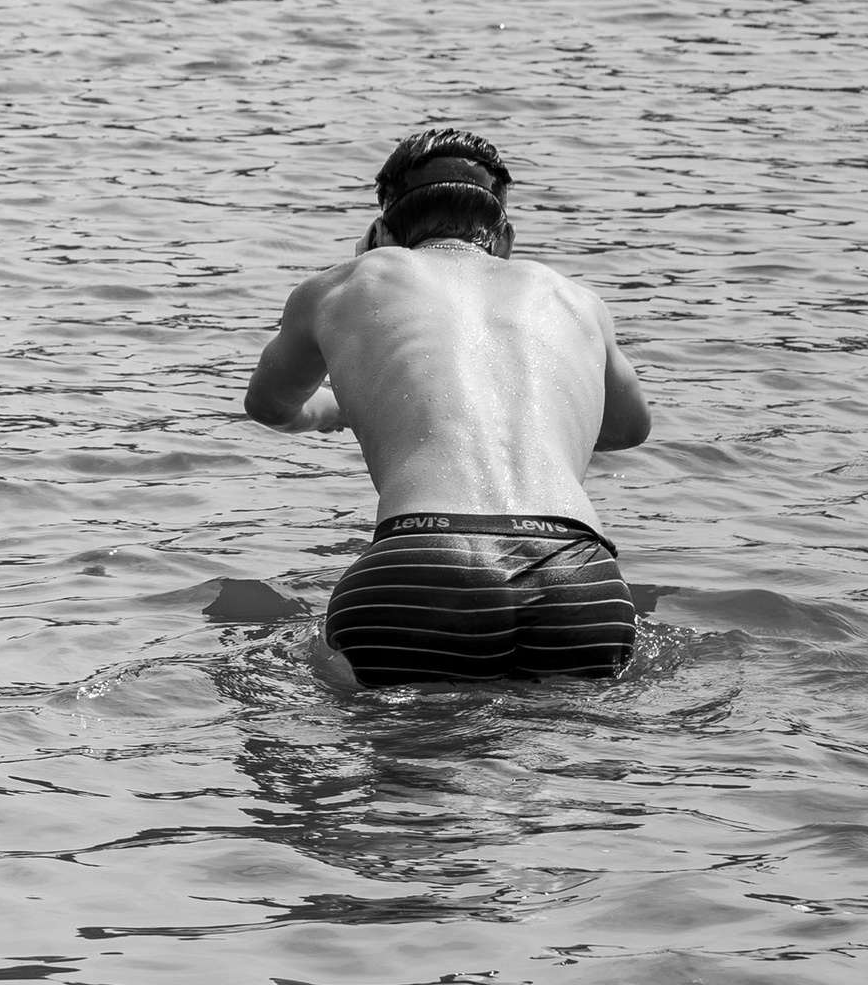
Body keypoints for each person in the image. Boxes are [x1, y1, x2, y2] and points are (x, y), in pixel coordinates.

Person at [243, 125, 650, 686]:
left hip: (423, 565)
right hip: (579, 578)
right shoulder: (573, 298)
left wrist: (337, 409)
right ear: (505, 239)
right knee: (546, 763)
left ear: (382, 232)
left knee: (392, 748)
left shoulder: (347, 282)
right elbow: (630, 428)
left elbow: (269, 405)